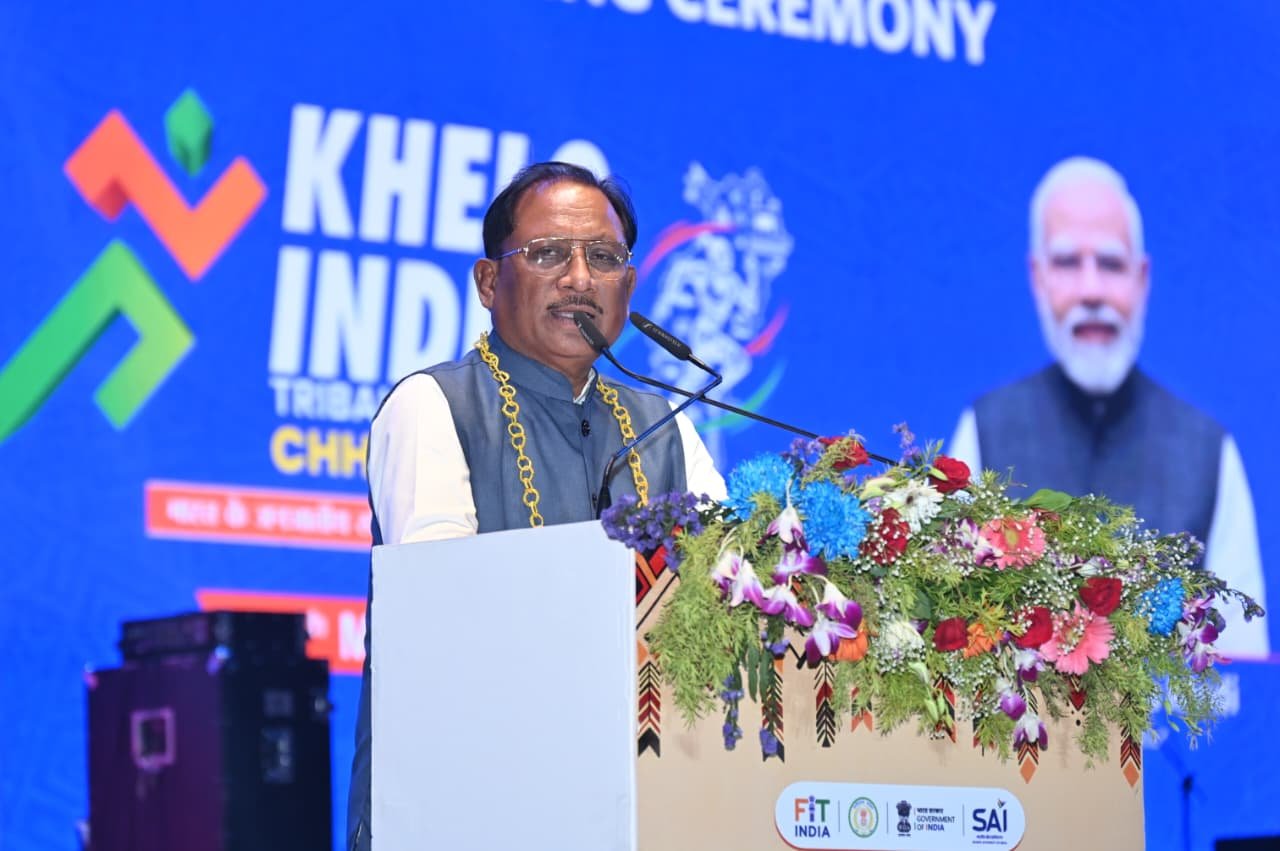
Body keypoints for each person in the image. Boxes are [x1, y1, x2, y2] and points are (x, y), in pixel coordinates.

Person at [346, 161, 726, 850]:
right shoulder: (434, 406)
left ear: (628, 286)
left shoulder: (663, 426)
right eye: (549, 253)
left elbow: (732, 598)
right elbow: (440, 617)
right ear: (489, 282)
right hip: (465, 806)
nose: (579, 278)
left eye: (603, 258)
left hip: (639, 808)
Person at [949, 156, 1268, 657]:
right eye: (1067, 263)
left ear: (1142, 279)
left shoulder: (1208, 451)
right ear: (1038, 277)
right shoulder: (985, 430)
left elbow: (1240, 667)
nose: (1092, 291)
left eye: (1111, 264)